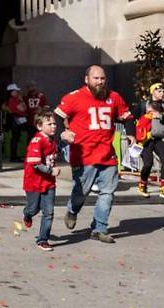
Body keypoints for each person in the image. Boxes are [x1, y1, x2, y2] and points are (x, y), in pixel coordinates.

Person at [55, 65, 132, 243]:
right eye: (96, 78)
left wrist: (131, 134)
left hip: (107, 155)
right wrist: (63, 132)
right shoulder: (74, 97)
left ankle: (99, 228)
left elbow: (127, 117)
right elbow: (58, 115)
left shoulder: (114, 97)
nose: (100, 82)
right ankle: (72, 210)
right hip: (83, 154)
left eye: (102, 78)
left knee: (107, 193)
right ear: (87, 79)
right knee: (82, 191)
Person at [126, 83, 164, 200]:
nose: (162, 93)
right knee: (148, 163)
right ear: (152, 92)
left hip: (160, 139)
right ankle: (142, 184)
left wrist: (161, 116)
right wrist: (131, 135)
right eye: (159, 91)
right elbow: (130, 118)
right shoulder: (143, 105)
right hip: (146, 140)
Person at [22, 108, 60, 251]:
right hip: (34, 183)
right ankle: (27, 214)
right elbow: (36, 164)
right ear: (39, 126)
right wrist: (51, 170)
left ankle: (43, 239)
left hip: (49, 183)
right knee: (34, 208)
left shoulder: (52, 141)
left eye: (54, 123)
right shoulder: (37, 141)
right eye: (49, 124)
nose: (53, 126)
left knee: (48, 212)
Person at [6, 83, 28, 162]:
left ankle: (15, 155)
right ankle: (13, 156)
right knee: (15, 137)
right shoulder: (13, 99)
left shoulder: (16, 99)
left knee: (17, 137)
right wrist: (21, 100)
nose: (17, 93)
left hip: (18, 119)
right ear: (11, 92)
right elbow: (22, 109)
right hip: (15, 119)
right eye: (16, 91)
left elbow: (24, 108)